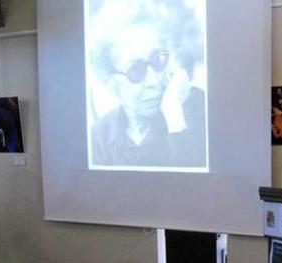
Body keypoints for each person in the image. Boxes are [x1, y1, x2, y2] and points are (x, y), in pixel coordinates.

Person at [87, 0, 206, 167]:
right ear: (109, 81)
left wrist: (174, 116)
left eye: (158, 60)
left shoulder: (198, 108)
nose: (154, 81)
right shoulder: (98, 138)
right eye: (136, 70)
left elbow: (195, 187)